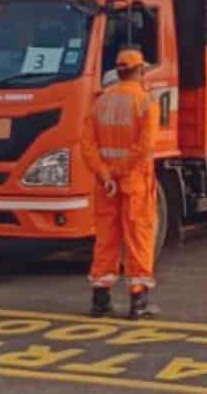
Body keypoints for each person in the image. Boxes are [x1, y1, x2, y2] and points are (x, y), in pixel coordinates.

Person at [81, 47, 160, 319]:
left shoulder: (100, 102)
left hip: (106, 185)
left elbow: (87, 146)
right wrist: (120, 171)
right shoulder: (146, 102)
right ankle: (139, 301)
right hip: (134, 182)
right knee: (138, 235)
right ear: (139, 71)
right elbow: (145, 146)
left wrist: (106, 175)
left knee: (106, 238)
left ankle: (100, 300)